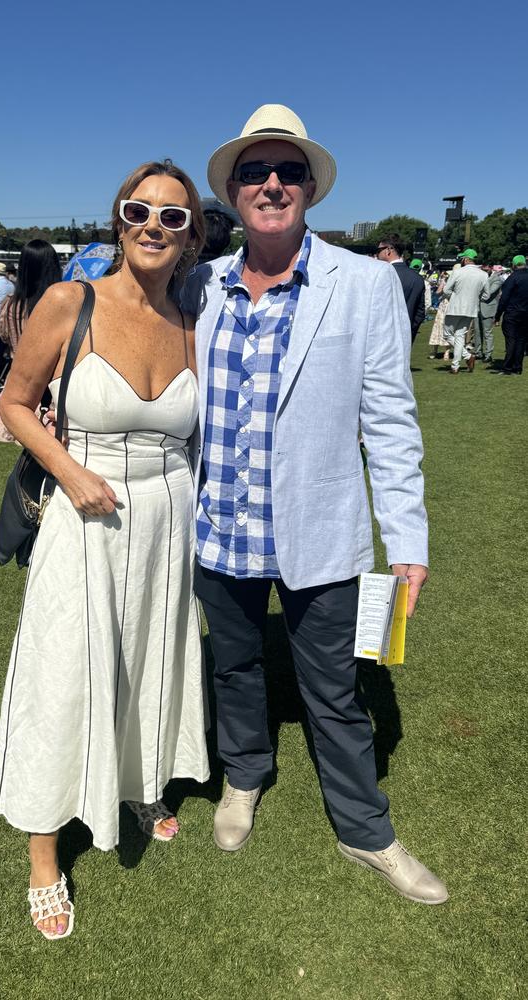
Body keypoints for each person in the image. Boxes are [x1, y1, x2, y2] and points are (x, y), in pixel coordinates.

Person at [182, 103, 448, 904]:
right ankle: (245, 777)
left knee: (333, 690)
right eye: (256, 172)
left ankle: (368, 831)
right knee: (233, 668)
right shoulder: (198, 285)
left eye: (288, 171)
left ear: (310, 189)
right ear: (231, 191)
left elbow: (391, 424)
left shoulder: (364, 283)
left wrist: (408, 538)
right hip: (218, 530)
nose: (271, 184)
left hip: (319, 530)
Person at [0, 160, 209, 939]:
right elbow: (15, 404)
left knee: (151, 657)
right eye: (138, 210)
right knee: (64, 673)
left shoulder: (190, 318)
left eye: (172, 217)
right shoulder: (68, 301)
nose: (153, 225)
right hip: (84, 514)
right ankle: (44, 855)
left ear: (190, 237)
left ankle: (138, 782)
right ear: (118, 220)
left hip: (167, 518)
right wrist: (70, 470)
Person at [0, 240, 62, 443]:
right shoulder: (60, 304)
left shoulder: (11, 304)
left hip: (20, 379)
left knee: (29, 442)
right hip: (54, 382)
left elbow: (1, 334)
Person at [442, 250, 487, 373]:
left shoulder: (457, 272)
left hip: (455, 308)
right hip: (471, 309)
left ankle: (465, 358)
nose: (461, 261)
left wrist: (455, 296)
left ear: (466, 259)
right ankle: (456, 365)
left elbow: (446, 290)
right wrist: (474, 298)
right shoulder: (483, 274)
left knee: (447, 334)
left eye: (462, 259)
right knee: (459, 336)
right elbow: (486, 295)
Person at [374, 235, 425, 341]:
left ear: (388, 250)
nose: (376, 253)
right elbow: (419, 313)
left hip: (380, 337)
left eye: (379, 250)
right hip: (405, 337)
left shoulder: (380, 274)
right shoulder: (417, 279)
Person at [495, 253, 528, 374]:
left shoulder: (512, 278)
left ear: (514, 265)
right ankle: (517, 368)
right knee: (521, 341)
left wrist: (498, 316)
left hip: (512, 313)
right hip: (526, 314)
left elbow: (504, 299)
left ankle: (508, 367)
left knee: (511, 340)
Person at [475, 265, 504, 363]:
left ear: (491, 268)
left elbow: (489, 293)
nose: (484, 270)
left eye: (486, 268)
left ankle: (488, 354)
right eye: (482, 268)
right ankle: (478, 352)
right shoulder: (480, 276)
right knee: (477, 332)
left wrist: (476, 294)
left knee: (487, 333)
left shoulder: (497, 279)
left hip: (488, 308)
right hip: (477, 308)